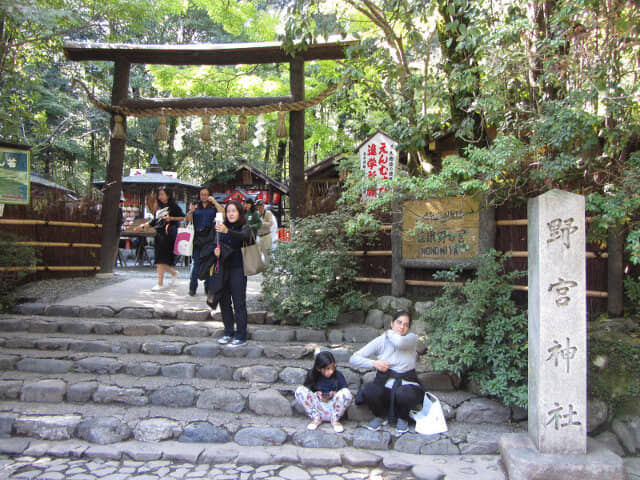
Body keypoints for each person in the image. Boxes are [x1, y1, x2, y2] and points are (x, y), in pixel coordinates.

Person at [349, 311, 424, 434]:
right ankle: (380, 415)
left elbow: (399, 343)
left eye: (406, 325)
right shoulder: (381, 340)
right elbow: (354, 358)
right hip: (385, 383)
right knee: (369, 390)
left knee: (404, 393)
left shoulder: (411, 338)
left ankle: (403, 417)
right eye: (399, 323)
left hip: (407, 384)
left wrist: (389, 333)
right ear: (392, 323)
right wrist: (374, 363)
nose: (402, 327)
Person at [211, 200, 252, 347]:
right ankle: (228, 331)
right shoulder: (222, 227)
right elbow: (215, 243)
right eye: (228, 211)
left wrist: (227, 231)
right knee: (224, 301)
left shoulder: (244, 227)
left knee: (239, 302)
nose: (231, 214)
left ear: (239, 212)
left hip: (239, 269)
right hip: (223, 269)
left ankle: (241, 335)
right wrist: (216, 251)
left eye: (234, 211)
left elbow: (243, 236)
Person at [135, 187, 185, 291]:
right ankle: (173, 273)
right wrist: (142, 226)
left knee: (160, 260)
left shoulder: (173, 206)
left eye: (162, 194)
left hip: (169, 234)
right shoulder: (158, 208)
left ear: (168, 195)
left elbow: (182, 217)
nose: (160, 197)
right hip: (159, 234)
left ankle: (160, 283)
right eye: (159, 195)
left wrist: (171, 219)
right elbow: (153, 222)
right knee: (160, 260)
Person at [295, 351, 353, 433]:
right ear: (319, 368)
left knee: (346, 393)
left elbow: (344, 392)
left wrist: (333, 394)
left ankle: (335, 421)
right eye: (328, 369)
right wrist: (317, 394)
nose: (331, 371)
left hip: (333, 408)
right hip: (318, 407)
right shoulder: (312, 375)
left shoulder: (338, 375)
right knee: (300, 391)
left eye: (333, 368)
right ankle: (316, 418)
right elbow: (308, 392)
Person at [185, 187, 224, 296]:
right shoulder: (196, 206)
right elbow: (187, 220)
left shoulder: (213, 207)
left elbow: (223, 213)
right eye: (202, 194)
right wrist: (191, 211)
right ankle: (192, 287)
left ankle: (208, 288)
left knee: (208, 264)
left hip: (209, 237)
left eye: (206, 194)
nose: (204, 197)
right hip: (197, 237)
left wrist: (214, 202)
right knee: (195, 263)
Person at [255, 199, 274, 265]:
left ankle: (269, 269)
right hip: (258, 236)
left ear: (263, 206)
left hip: (266, 235)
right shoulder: (256, 214)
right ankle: (260, 267)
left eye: (260, 206)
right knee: (257, 253)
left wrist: (262, 223)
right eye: (257, 206)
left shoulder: (268, 213)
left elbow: (271, 223)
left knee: (267, 254)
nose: (259, 208)